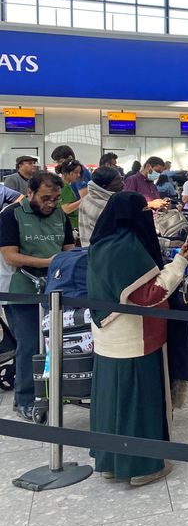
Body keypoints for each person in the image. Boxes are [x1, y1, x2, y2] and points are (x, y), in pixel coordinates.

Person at [87, 192, 188, 485]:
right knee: (139, 404)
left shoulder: (100, 244)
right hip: (138, 336)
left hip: (107, 336)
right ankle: (144, 466)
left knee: (111, 403)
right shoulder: (128, 246)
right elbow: (149, 295)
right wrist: (180, 263)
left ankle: (110, 463)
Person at [0, 172, 75, 420]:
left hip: (53, 286)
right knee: (30, 343)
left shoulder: (59, 216)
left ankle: (50, 391)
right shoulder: (11, 215)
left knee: (53, 343)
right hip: (19, 288)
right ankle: (25, 399)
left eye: (54, 198)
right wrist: (47, 262)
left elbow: (68, 249)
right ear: (30, 192)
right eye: (45, 198)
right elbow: (10, 255)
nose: (50, 204)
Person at [79, 166, 124, 246]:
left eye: (122, 179)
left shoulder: (88, 198)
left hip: (88, 248)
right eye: (118, 182)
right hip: (101, 252)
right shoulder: (107, 206)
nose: (123, 184)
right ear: (105, 187)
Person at [55, 159, 84, 231]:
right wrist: (84, 200)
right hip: (69, 226)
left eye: (79, 172)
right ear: (67, 172)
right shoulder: (64, 187)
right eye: (76, 172)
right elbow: (67, 209)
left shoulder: (65, 185)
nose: (78, 175)